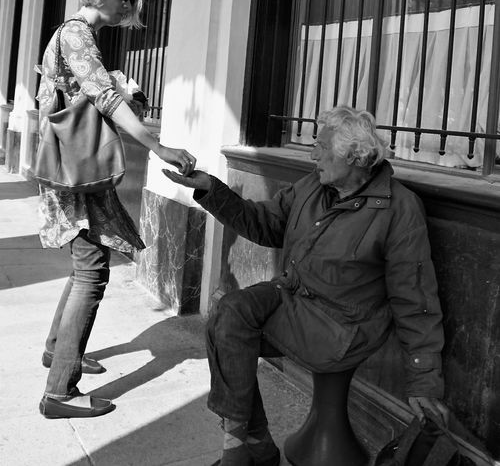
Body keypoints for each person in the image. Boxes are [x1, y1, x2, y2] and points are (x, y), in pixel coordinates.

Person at [163, 105, 449, 466]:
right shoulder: (314, 186)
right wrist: (211, 189)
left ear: (355, 156)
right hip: (294, 299)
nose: (313, 154)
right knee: (228, 312)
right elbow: (265, 223)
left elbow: (416, 297)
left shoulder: (399, 209)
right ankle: (249, 443)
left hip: (341, 328)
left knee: (229, 325)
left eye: (322, 148)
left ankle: (248, 450)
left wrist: (424, 379)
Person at [37, 0, 196, 419]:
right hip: (77, 174)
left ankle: (56, 350)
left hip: (77, 169)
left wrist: (121, 92)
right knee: (91, 272)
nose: (127, 2)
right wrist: (158, 145)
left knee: (84, 268)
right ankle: (60, 392)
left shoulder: (77, 35)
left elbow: (87, 96)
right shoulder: (77, 33)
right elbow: (104, 99)